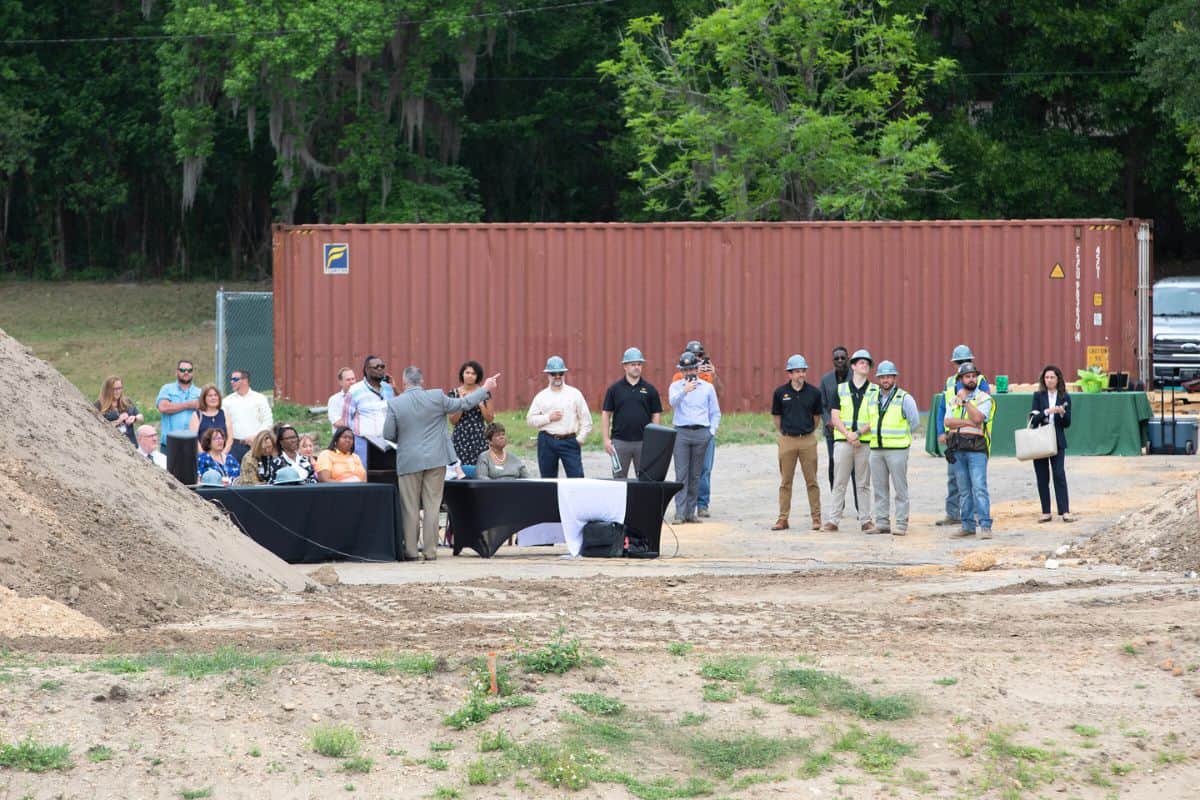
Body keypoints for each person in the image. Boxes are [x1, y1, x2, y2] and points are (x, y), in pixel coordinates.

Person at [383, 366, 500, 561]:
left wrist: (405, 439)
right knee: (432, 505)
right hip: (436, 459)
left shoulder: (395, 404)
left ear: (404, 383)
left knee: (410, 507)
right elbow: (464, 403)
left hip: (409, 460)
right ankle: (430, 551)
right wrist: (486, 387)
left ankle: (411, 551)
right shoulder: (437, 396)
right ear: (422, 381)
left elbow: (388, 434)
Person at [935, 345, 991, 527]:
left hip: (976, 440)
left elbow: (980, 414)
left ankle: (976, 516)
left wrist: (971, 422)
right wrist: (940, 431)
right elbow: (944, 409)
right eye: (959, 362)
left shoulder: (981, 381)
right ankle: (953, 514)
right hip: (956, 441)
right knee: (955, 479)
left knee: (977, 483)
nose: (962, 364)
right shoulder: (950, 382)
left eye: (965, 361)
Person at [865, 361, 920, 536]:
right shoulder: (872, 398)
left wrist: (901, 437)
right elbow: (871, 421)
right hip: (876, 449)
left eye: (888, 376)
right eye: (882, 377)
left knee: (900, 489)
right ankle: (882, 523)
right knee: (879, 488)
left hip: (897, 450)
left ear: (894, 378)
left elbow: (915, 422)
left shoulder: (904, 398)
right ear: (879, 379)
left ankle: (901, 524)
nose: (885, 379)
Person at [825, 349, 877, 533]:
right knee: (840, 482)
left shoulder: (875, 391)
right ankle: (833, 520)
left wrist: (858, 434)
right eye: (860, 362)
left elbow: (875, 417)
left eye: (867, 363)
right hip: (843, 442)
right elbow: (834, 417)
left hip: (864, 444)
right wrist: (849, 435)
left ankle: (866, 520)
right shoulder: (839, 390)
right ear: (853, 366)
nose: (864, 364)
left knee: (863, 484)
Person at [770, 355, 824, 531]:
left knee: (812, 481)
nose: (801, 374)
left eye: (803, 371)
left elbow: (817, 418)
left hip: (807, 440)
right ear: (790, 374)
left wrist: (807, 431)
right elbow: (777, 417)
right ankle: (783, 518)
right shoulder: (780, 393)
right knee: (786, 482)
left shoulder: (814, 393)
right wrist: (785, 433)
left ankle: (816, 518)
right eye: (797, 371)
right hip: (787, 440)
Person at [669, 351, 721, 524]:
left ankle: (691, 512)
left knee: (696, 474)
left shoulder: (707, 388)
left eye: (691, 369)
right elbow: (672, 403)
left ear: (697, 369)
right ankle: (680, 512)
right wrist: (684, 391)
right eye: (685, 370)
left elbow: (715, 412)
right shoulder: (676, 386)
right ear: (681, 371)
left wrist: (711, 431)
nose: (688, 373)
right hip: (682, 432)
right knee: (681, 473)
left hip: (701, 432)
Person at [944, 362, 994, 539]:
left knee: (979, 488)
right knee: (964, 489)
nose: (971, 379)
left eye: (974, 376)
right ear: (961, 379)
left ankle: (985, 525)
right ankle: (967, 525)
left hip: (976, 448)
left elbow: (979, 418)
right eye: (967, 376)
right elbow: (948, 422)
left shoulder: (983, 398)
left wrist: (965, 403)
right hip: (958, 448)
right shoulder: (952, 399)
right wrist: (968, 422)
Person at [526, 356, 592, 478]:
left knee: (577, 478)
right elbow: (530, 420)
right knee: (548, 480)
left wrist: (580, 439)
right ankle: (549, 498)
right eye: (553, 374)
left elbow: (586, 419)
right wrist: (548, 418)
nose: (557, 377)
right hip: (547, 440)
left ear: (564, 374)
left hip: (569, 439)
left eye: (560, 373)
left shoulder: (574, 394)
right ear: (548, 375)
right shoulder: (541, 396)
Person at [601, 347, 663, 478]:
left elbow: (656, 414)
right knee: (618, 480)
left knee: (646, 480)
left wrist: (653, 440)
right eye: (633, 364)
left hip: (643, 443)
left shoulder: (650, 389)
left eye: (639, 364)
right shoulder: (614, 389)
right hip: (619, 443)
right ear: (625, 366)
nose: (637, 367)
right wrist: (606, 440)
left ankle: (641, 500)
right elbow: (606, 414)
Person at [1030, 365, 1073, 523]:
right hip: (1040, 440)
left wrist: (1061, 413)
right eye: (1046, 377)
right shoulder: (1038, 396)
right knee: (1042, 476)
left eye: (1052, 377)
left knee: (1059, 474)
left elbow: (1067, 423)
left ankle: (1065, 510)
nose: (1049, 380)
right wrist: (1048, 411)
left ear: (1058, 379)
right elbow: (1033, 419)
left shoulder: (1065, 397)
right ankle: (1046, 511)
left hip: (1057, 439)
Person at [448, 360, 495, 477]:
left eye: (473, 373)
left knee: (480, 470)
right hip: (460, 438)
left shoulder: (484, 393)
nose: (470, 375)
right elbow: (453, 421)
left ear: (477, 376)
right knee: (459, 472)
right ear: (462, 374)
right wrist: (463, 404)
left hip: (479, 437)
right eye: (467, 372)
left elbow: (490, 419)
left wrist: (480, 405)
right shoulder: (454, 393)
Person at [347, 355, 396, 465]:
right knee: (365, 478)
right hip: (364, 445)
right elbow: (346, 420)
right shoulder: (355, 390)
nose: (380, 369)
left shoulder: (388, 388)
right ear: (366, 370)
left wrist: (395, 388)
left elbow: (398, 411)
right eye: (376, 367)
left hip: (387, 444)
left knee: (387, 478)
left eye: (382, 366)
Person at [223, 368, 273, 464]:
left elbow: (268, 421)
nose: (231, 382)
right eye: (231, 379)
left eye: (235, 379)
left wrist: (256, 436)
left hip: (257, 444)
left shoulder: (260, 398)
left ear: (245, 380)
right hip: (235, 445)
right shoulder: (227, 401)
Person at [819, 346, 850, 490]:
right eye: (836, 358)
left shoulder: (855, 378)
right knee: (834, 462)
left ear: (847, 359)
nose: (840, 361)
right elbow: (822, 404)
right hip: (832, 432)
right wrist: (827, 420)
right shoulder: (826, 380)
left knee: (855, 469)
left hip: (852, 431)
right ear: (832, 361)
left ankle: (859, 506)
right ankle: (837, 502)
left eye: (842, 358)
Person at [155, 359, 201, 452]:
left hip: (193, 444)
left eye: (189, 370)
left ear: (193, 373)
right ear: (176, 372)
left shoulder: (200, 392)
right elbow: (163, 407)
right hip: (170, 444)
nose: (186, 372)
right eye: (183, 370)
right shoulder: (167, 389)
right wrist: (188, 405)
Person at [95, 376, 142, 445]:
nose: (117, 391)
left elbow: (141, 418)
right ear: (107, 390)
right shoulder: (99, 405)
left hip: (132, 444)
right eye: (114, 389)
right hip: (113, 446)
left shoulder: (127, 401)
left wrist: (135, 418)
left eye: (119, 388)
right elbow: (97, 428)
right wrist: (118, 421)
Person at [188, 384, 229, 456]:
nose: (213, 398)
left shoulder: (224, 413)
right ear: (204, 398)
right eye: (210, 396)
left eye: (215, 395)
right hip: (203, 458)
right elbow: (194, 439)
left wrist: (222, 455)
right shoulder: (197, 415)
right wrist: (206, 456)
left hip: (223, 457)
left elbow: (230, 438)